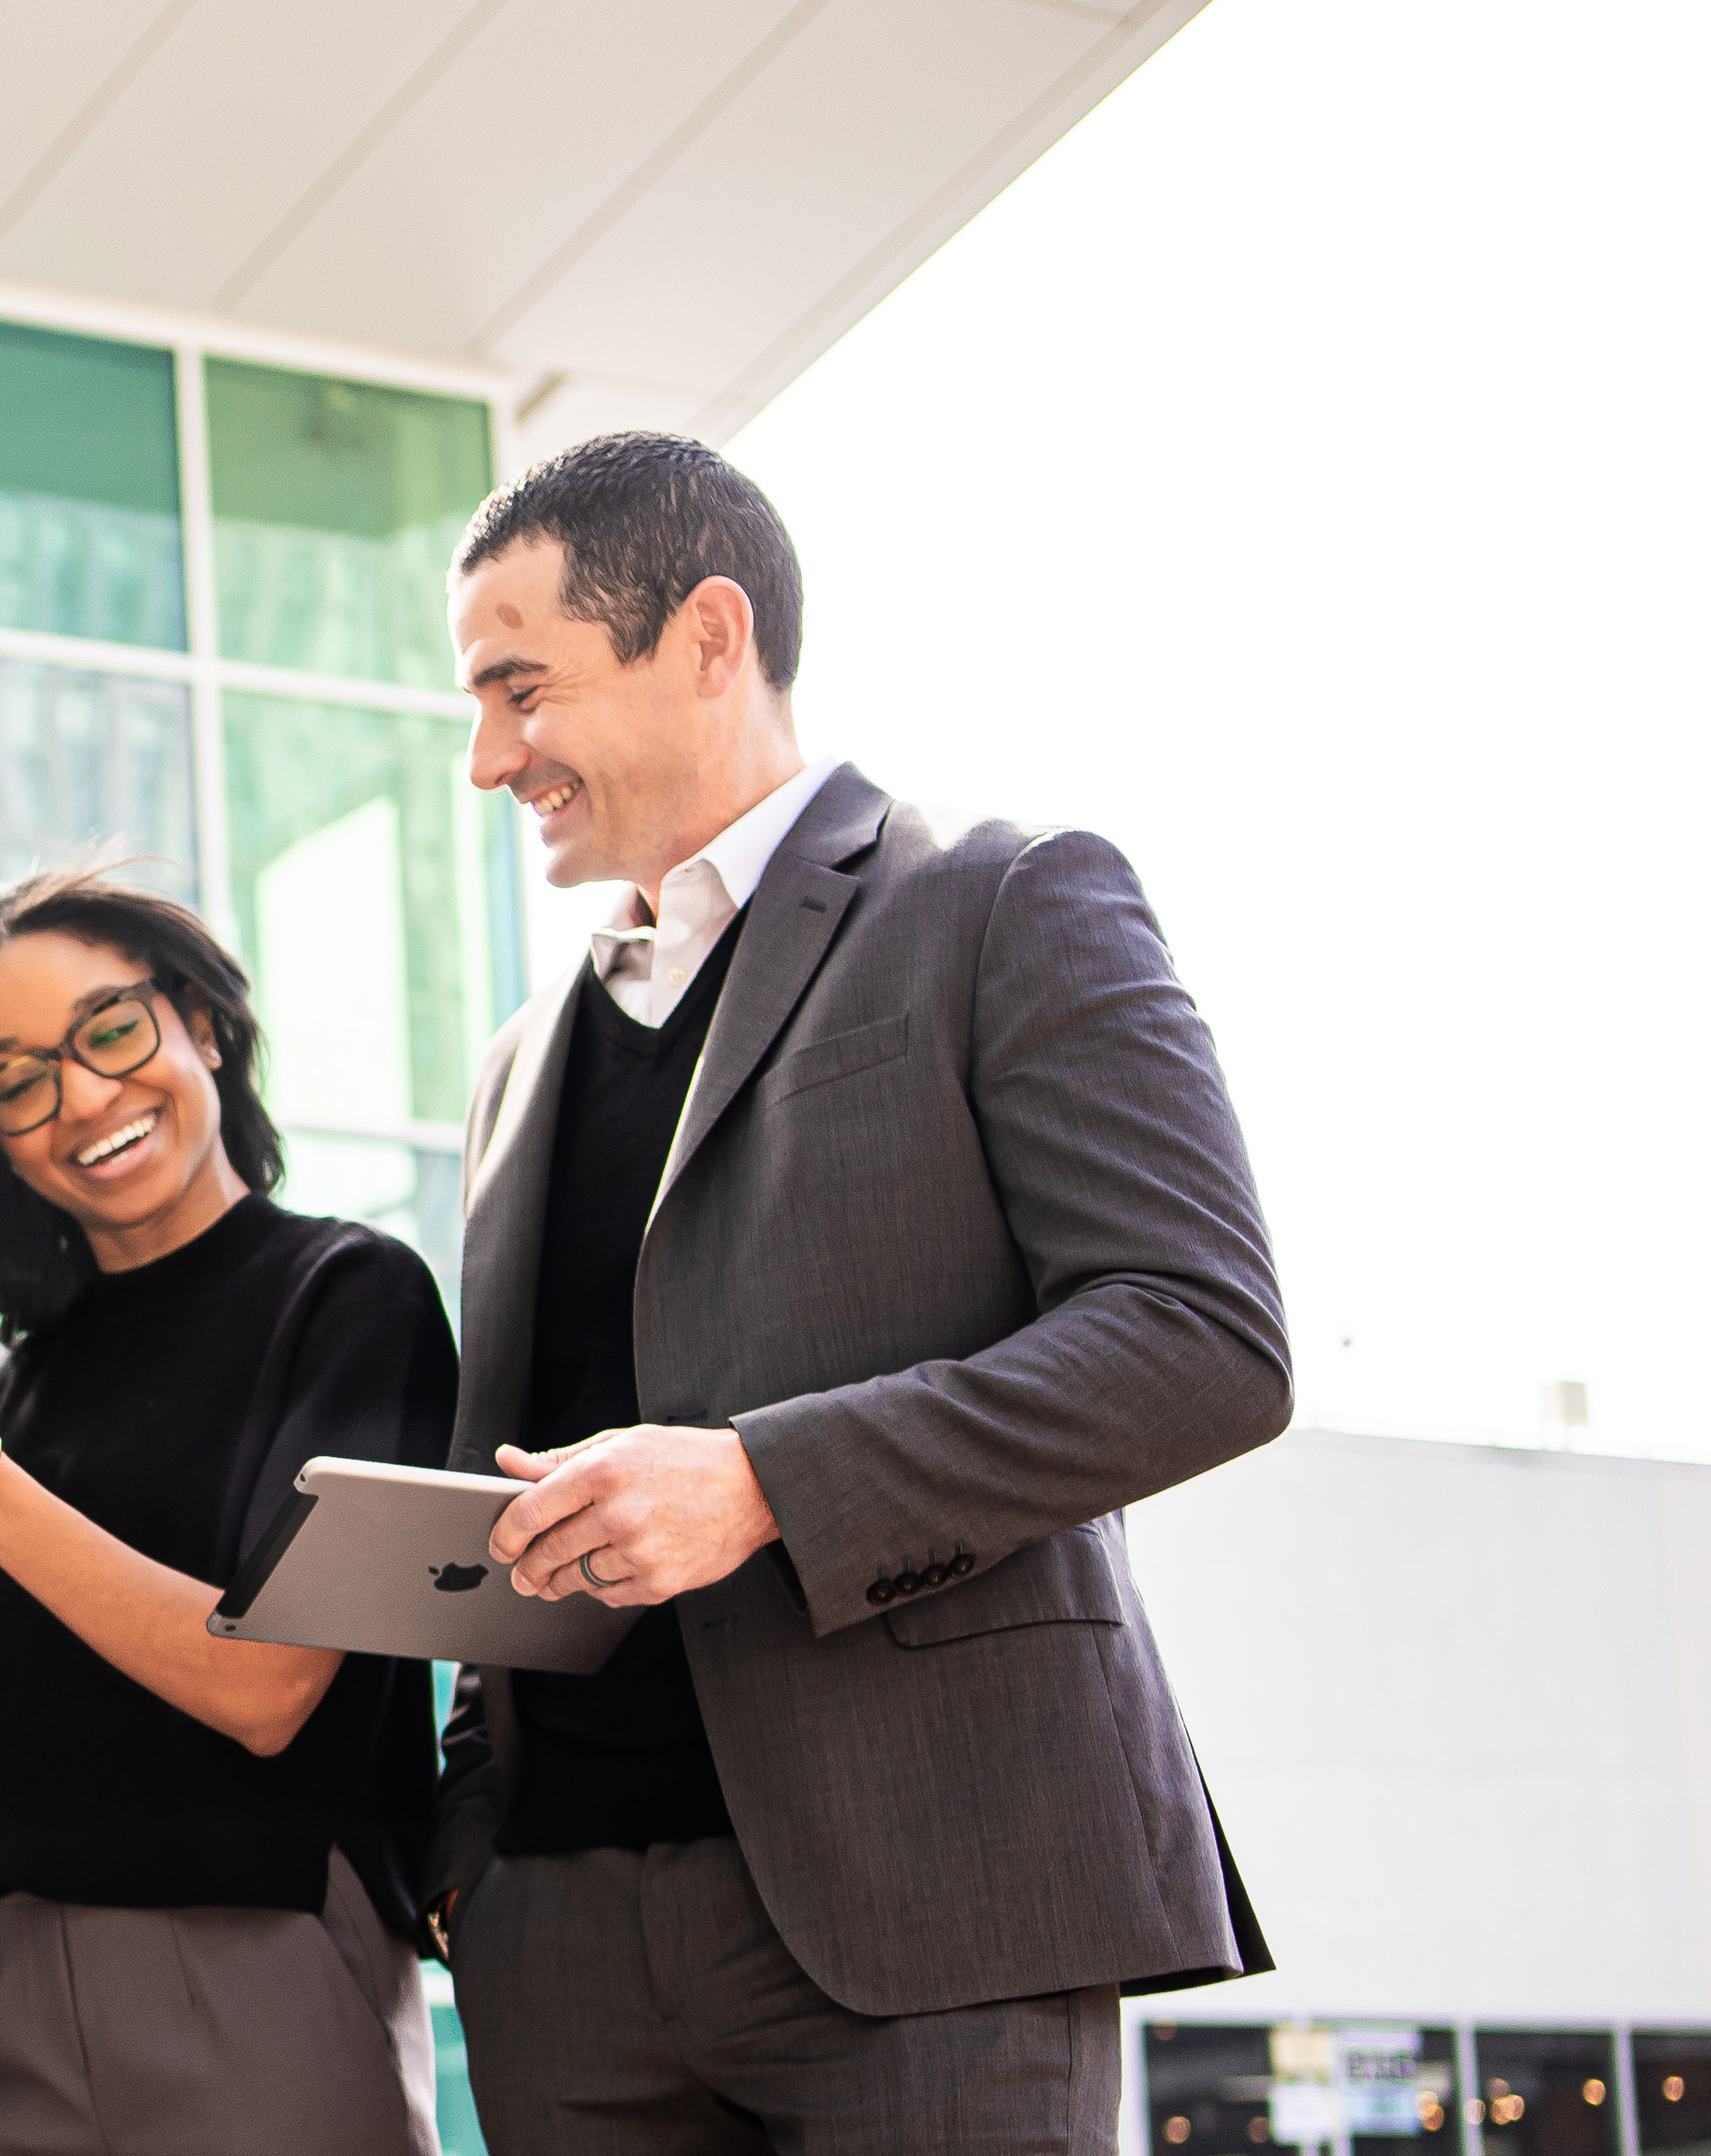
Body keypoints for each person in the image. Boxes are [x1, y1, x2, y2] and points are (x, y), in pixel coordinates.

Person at [423, 432, 1284, 2154]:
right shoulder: (522, 1062)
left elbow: (1205, 1337)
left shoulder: (1004, 895)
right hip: (568, 1949)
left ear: (709, 635)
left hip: (935, 1904)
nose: (487, 757)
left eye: (522, 688)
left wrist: (759, 1482)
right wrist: (474, 1841)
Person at [0, 866, 448, 2156]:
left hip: (266, 1952)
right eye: (15, 1082)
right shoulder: (10, 1381)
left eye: (109, 1032)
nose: (82, 1100)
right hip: (11, 1980)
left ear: (199, 1023)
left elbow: (272, 1684)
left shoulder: (353, 1297)